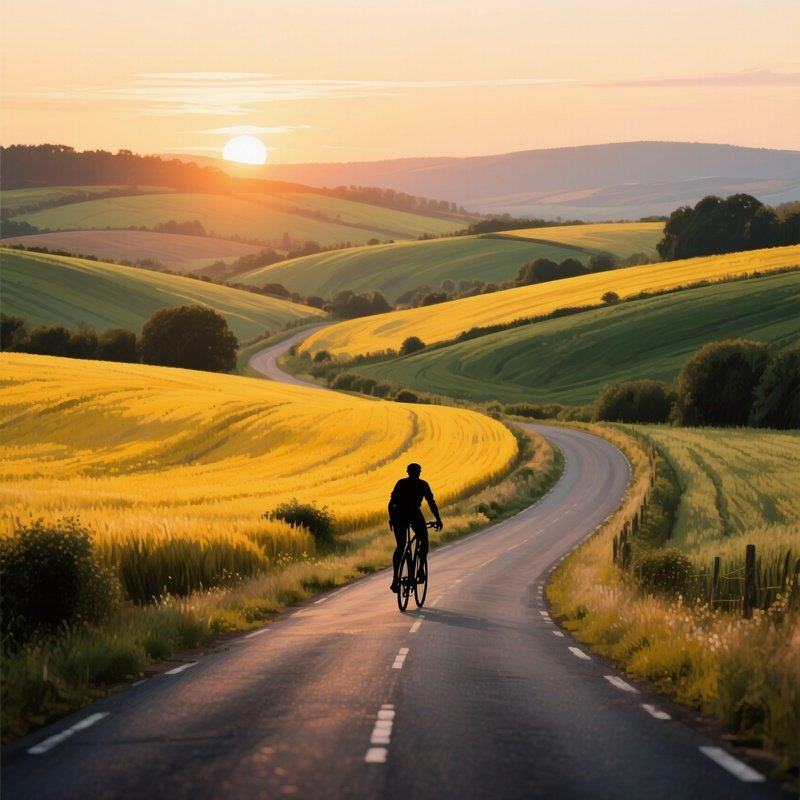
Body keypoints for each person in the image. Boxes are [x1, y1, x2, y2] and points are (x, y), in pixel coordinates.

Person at [388, 463, 443, 592]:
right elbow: (431, 502)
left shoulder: (401, 483)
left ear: (408, 472)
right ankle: (420, 569)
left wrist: (392, 518)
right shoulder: (423, 484)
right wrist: (438, 519)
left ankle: (396, 579)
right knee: (423, 539)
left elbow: (391, 504)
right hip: (414, 514)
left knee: (400, 546)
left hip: (399, 515)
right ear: (419, 472)